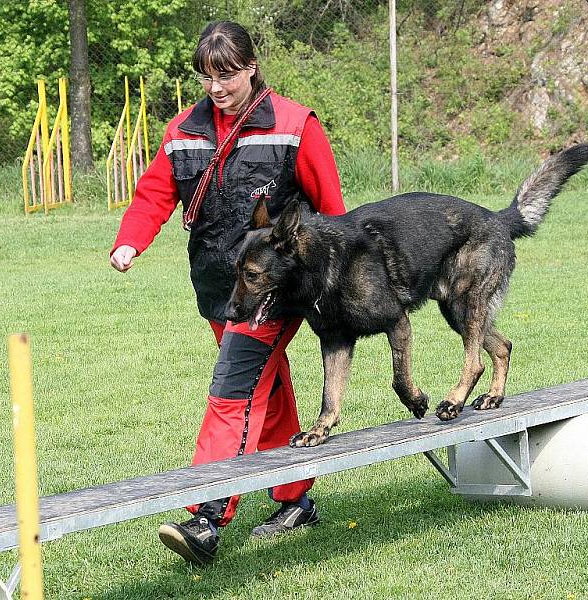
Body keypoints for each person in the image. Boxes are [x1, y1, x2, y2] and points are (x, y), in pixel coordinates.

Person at [110, 20, 345, 566]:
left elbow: (333, 212)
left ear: (252, 67)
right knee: (270, 384)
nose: (217, 87)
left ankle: (207, 517)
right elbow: (154, 194)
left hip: (276, 291)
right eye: (208, 76)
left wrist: (334, 288)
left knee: (234, 390)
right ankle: (295, 497)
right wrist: (130, 242)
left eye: (229, 74)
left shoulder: (294, 124)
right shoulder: (183, 130)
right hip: (219, 288)